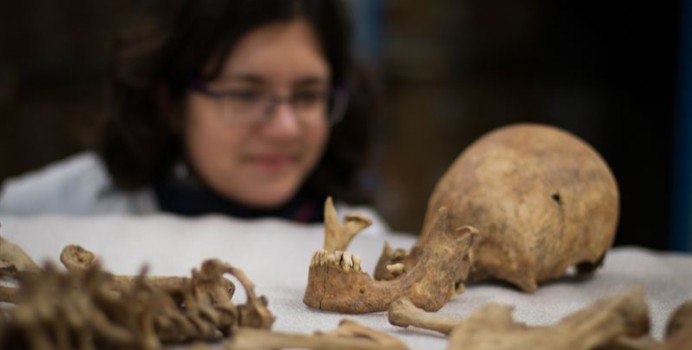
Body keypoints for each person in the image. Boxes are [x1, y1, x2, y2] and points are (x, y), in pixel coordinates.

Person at [0, 0, 385, 228]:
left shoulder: (363, 244)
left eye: (308, 95)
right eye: (245, 94)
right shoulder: (51, 214)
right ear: (171, 102)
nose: (285, 127)